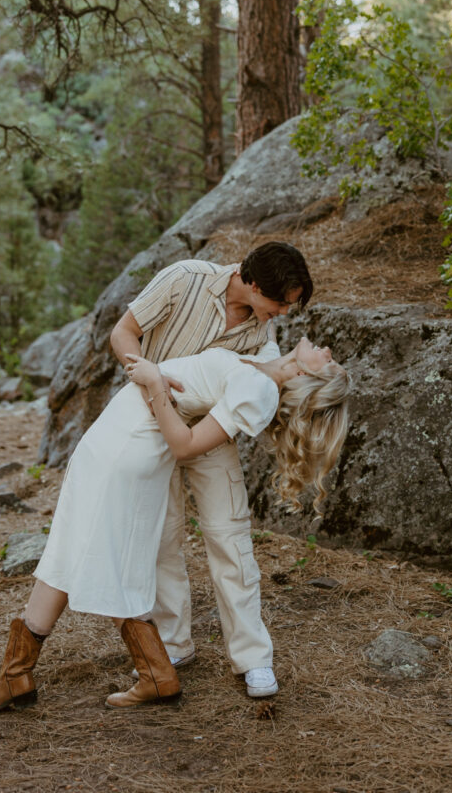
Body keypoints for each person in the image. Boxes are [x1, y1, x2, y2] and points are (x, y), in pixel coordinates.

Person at [0, 338, 349, 713]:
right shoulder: (265, 358)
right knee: (70, 549)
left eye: (328, 362)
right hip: (117, 440)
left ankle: (149, 672)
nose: (329, 350)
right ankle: (19, 675)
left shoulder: (261, 389)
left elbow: (185, 446)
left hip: (128, 447)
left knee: (96, 555)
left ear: (304, 373)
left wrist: (155, 381)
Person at [109, 243, 312, 698]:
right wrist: (150, 378)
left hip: (211, 434)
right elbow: (123, 333)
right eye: (278, 302)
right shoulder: (184, 278)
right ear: (252, 283)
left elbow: (261, 384)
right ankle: (174, 645)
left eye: (288, 305)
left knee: (231, 537)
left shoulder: (263, 336)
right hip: (149, 423)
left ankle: (253, 658)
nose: (281, 313)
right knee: (161, 536)